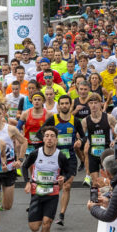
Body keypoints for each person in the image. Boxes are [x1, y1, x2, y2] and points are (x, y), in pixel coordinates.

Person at [22, 126, 75, 232]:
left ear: (56, 140)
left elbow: (69, 171)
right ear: (43, 139)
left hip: (52, 194)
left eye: (52, 136)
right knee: (34, 227)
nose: (49, 138)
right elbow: (24, 166)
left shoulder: (60, 156)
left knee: (47, 224)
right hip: (37, 194)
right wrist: (27, 181)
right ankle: (36, 217)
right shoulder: (35, 153)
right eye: (47, 136)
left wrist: (64, 177)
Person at [42, 95, 83, 225]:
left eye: (67, 103)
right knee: (54, 185)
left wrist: (80, 141)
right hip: (54, 157)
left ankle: (61, 214)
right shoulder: (52, 120)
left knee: (67, 185)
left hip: (70, 158)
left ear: (70, 105)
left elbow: (84, 136)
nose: (64, 106)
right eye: (62, 103)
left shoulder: (75, 121)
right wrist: (49, 144)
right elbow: (39, 134)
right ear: (58, 106)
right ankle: (43, 204)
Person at [82, 93, 116, 186]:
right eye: (91, 103)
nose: (93, 105)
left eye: (96, 103)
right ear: (88, 105)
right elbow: (81, 136)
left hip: (106, 152)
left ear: (100, 104)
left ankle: (107, 199)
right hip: (93, 152)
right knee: (96, 182)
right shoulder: (85, 121)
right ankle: (95, 199)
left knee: (106, 182)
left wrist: (115, 140)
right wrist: (81, 141)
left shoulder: (109, 117)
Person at [18, 92, 48, 157]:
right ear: (32, 101)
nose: (37, 101)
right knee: (30, 165)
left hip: (42, 143)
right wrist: (21, 137)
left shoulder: (48, 114)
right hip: (29, 144)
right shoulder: (25, 114)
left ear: (43, 102)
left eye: (39, 100)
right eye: (35, 100)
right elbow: (18, 128)